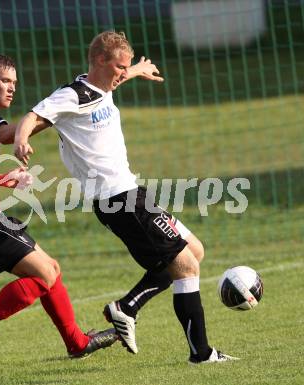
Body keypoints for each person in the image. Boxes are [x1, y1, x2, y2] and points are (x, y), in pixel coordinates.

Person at [14, 31, 238, 363]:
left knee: (192, 251)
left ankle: (127, 307)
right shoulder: (72, 95)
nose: (122, 73)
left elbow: (116, 78)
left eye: (126, 68)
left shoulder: (103, 87)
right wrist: (20, 139)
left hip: (130, 194)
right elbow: (33, 115)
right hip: (119, 199)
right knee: (185, 265)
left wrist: (137, 70)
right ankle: (201, 353)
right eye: (119, 67)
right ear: (99, 62)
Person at [0, 53, 118, 373]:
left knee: (51, 268)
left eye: (14, 83)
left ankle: (77, 342)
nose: (11, 88)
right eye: (4, 81)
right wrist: (48, 116)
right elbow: (9, 134)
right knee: (43, 274)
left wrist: (3, 180)